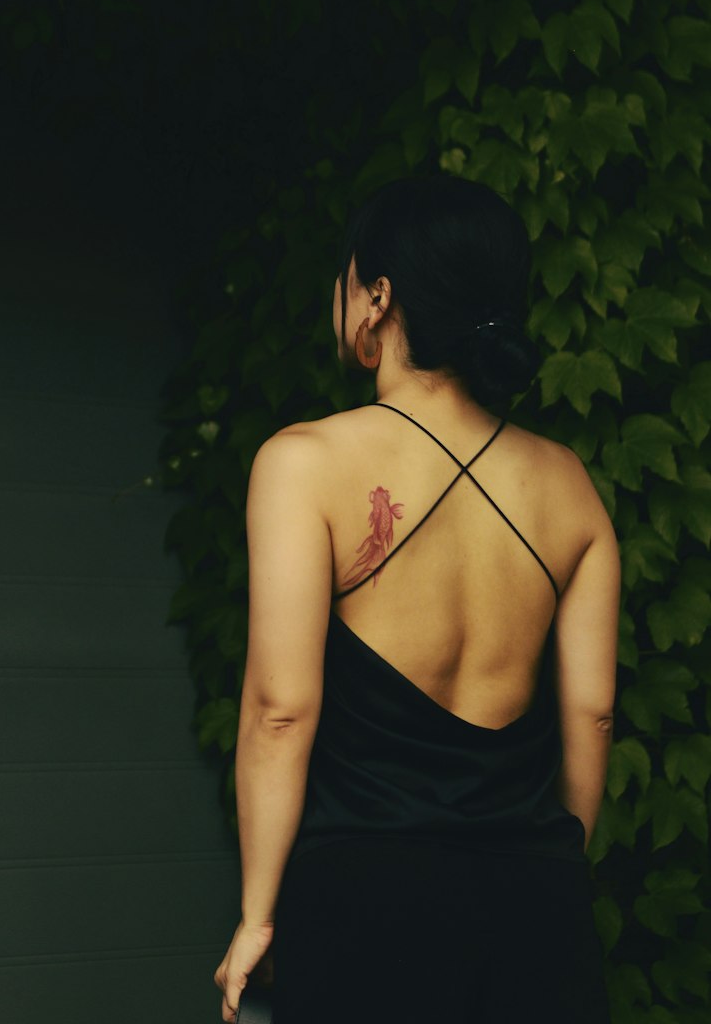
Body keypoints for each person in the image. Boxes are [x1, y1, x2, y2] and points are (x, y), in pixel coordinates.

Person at [214, 173, 618, 1023]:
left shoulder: (304, 463)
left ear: (378, 299)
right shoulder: (569, 486)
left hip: (367, 908)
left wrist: (258, 916)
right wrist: (552, 872)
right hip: (538, 913)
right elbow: (592, 718)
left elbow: (280, 713)